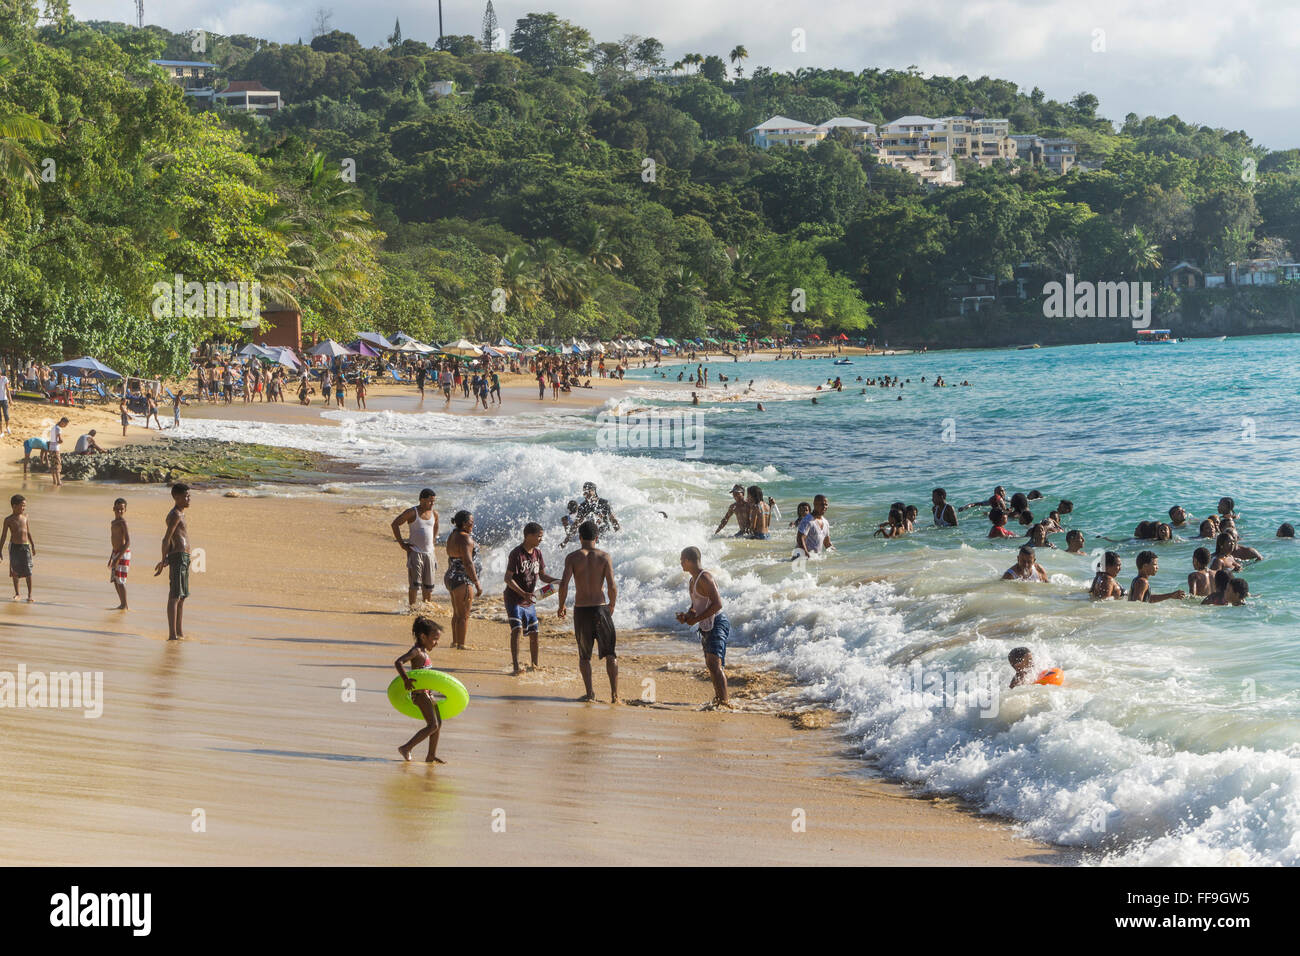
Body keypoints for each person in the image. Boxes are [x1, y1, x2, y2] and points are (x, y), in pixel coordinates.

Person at [558, 520, 618, 703]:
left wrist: (561, 605)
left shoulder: (573, 557)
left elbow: (564, 584)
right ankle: (615, 696)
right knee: (610, 654)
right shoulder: (604, 557)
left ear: (580, 537)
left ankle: (590, 693)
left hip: (582, 610)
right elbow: (612, 585)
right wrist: (612, 605)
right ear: (597, 537)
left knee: (584, 656)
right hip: (601, 608)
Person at [677, 546, 729, 707]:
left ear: (688, 560)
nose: (680, 563)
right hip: (706, 625)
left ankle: (724, 702)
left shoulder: (705, 577)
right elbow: (695, 605)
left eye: (682, 560)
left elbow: (718, 604)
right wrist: (687, 616)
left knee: (714, 664)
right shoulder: (692, 581)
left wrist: (696, 618)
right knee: (711, 664)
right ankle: (719, 699)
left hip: (717, 622)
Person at [504, 522, 558, 675]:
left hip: (530, 600)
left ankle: (535, 665)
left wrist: (558, 582)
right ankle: (515, 666)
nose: (541, 539)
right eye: (539, 536)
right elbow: (508, 578)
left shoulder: (538, 553)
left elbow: (543, 576)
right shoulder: (516, 553)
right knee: (517, 629)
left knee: (534, 633)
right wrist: (523, 593)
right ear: (528, 536)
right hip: (514, 598)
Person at [394, 616, 446, 763]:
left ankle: (431, 755)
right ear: (423, 636)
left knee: (438, 724)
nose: (436, 643)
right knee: (433, 725)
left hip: (427, 693)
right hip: (419, 694)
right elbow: (398, 662)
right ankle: (406, 747)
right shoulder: (416, 651)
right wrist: (405, 680)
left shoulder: (423, 651)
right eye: (434, 639)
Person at [153, 483, 191, 640]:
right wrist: (164, 559)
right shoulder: (175, 514)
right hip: (179, 557)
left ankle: (179, 631)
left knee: (182, 596)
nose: (189, 499)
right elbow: (166, 538)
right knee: (175, 595)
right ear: (176, 497)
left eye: (189, 496)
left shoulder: (181, 514)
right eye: (186, 496)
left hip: (183, 557)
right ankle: (172, 634)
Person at [391, 489, 439, 607]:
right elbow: (395, 524)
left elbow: (436, 525)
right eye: (430, 501)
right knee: (415, 584)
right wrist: (402, 544)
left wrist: (433, 540)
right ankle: (412, 608)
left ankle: (426, 607)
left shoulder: (434, 514)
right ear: (421, 499)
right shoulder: (412, 512)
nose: (432, 504)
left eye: (434, 502)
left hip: (430, 553)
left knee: (428, 586)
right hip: (415, 552)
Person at [443, 510, 481, 650]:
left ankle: (455, 642)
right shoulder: (465, 538)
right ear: (464, 524)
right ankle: (461, 645)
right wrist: (476, 583)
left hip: (451, 576)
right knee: (464, 616)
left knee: (457, 614)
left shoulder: (453, 535)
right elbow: (468, 563)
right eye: (471, 522)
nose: (473, 525)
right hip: (463, 579)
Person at [0, 494, 35, 601]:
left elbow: (28, 532)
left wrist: (33, 545)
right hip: (14, 547)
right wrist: (0, 550)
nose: (23, 508)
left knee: (28, 571)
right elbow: (4, 535)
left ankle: (30, 595)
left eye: (24, 506)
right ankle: (17, 593)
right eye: (22, 505)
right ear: (14, 506)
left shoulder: (25, 517)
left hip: (25, 546)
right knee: (15, 571)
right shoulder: (8, 520)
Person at [109, 497, 130, 610]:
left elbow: (128, 542)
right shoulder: (113, 522)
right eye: (118, 509)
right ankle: (122, 603)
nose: (120, 511)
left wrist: (118, 558)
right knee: (115, 580)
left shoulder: (123, 522)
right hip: (115, 553)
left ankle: (125, 604)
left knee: (120, 580)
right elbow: (114, 540)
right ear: (113, 509)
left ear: (125, 510)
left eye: (122, 509)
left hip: (123, 553)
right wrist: (112, 557)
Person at [48, 416, 68, 487]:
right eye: (65, 424)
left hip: (51, 448)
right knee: (57, 465)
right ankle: (59, 482)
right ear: (63, 422)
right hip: (55, 449)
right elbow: (59, 439)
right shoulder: (58, 429)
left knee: (53, 465)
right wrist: (61, 441)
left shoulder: (54, 427)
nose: (65, 426)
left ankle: (54, 481)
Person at [0, 367, 10, 436]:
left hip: (4, 399)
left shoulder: (4, 378)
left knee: (6, 414)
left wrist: (10, 400)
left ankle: (7, 427)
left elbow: (7, 389)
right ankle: (1, 431)